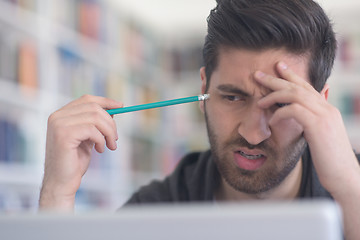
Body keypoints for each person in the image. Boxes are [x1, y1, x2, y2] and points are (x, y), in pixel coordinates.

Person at [39, 0, 360, 239]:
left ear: (322, 106)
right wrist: (57, 194)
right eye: (233, 97)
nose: (252, 133)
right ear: (204, 87)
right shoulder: (155, 211)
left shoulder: (353, 184)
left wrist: (349, 187)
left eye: (280, 103)